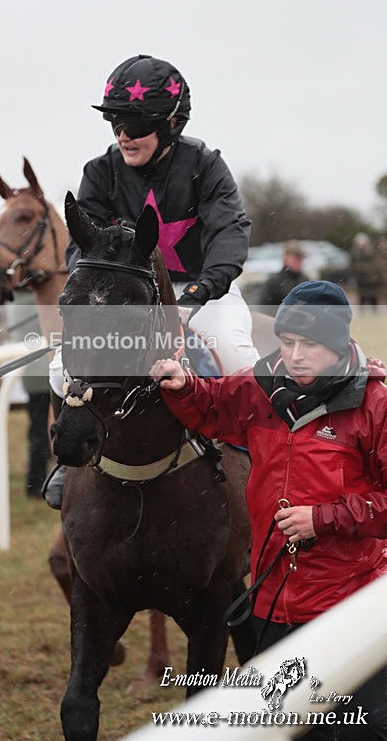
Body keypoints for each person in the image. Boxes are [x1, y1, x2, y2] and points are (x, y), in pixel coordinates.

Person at [150, 280, 387, 739]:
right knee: (287, 728)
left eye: (310, 344)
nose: (295, 355)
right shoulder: (260, 385)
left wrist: (322, 519)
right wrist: (183, 386)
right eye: (287, 341)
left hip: (351, 605)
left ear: (339, 344)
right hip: (273, 600)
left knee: (361, 730)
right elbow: (213, 405)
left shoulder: (375, 403)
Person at [44, 53, 258, 508]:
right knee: (60, 368)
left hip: (202, 289)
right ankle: (67, 463)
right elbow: (82, 245)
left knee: (235, 350)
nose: (123, 135)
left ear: (171, 124)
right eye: (115, 123)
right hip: (127, 294)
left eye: (135, 124)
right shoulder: (99, 172)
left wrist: (197, 295)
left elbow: (229, 234)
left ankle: (261, 455)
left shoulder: (206, 166)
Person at [7, 293, 52, 497]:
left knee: (38, 430)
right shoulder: (34, 301)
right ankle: (37, 482)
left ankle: (36, 481)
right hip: (44, 374)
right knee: (41, 431)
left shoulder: (17, 301)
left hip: (34, 375)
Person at [258, 239, 307, 315]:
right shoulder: (274, 282)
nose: (299, 261)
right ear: (285, 258)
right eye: (295, 257)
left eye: (301, 258)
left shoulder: (306, 281)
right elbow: (264, 309)